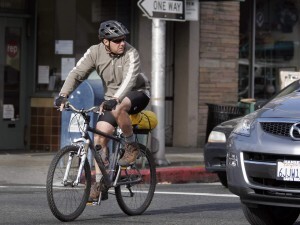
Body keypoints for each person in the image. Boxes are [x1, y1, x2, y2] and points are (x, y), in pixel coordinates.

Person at [54, 20, 150, 202]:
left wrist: (114, 99)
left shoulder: (131, 53)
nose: (122, 43)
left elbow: (129, 81)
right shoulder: (94, 52)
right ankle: (100, 184)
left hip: (137, 93)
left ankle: (131, 145)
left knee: (120, 106)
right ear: (105, 41)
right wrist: (63, 95)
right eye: (117, 40)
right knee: (99, 136)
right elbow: (76, 74)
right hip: (112, 99)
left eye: (123, 39)